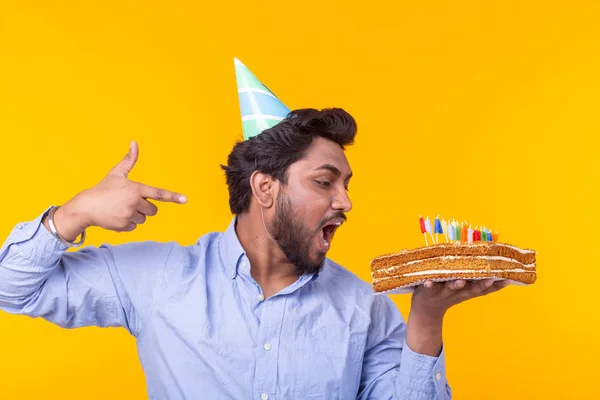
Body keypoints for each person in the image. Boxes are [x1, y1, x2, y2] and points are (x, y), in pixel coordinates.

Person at [0, 62, 506, 400]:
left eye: (347, 185)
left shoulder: (364, 307)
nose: (345, 202)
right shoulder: (157, 279)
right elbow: (11, 288)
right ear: (265, 188)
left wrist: (426, 318)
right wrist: (75, 214)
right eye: (325, 182)